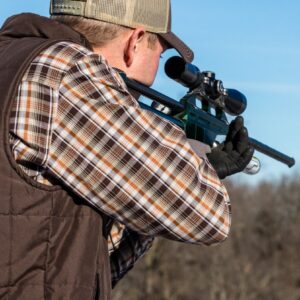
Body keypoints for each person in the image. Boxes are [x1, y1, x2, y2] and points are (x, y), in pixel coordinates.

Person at [0, 0, 253, 299]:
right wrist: (192, 159)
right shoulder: (63, 73)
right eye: (159, 53)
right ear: (134, 42)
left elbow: (91, 265)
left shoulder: (11, 57)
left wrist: (195, 165)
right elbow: (207, 216)